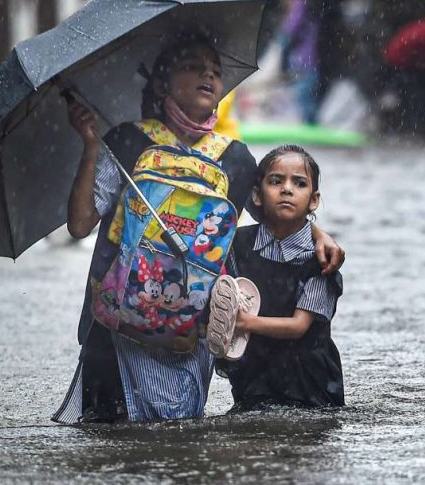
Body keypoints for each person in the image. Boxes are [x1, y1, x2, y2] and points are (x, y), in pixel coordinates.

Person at [53, 34, 344, 424]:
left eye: (215, 70)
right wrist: (91, 146)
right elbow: (80, 224)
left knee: (180, 437)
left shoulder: (235, 159)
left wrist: (319, 236)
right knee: (112, 443)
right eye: (192, 65)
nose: (208, 74)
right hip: (116, 332)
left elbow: (277, 217)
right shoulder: (126, 141)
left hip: (191, 336)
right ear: (162, 82)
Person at [216, 145, 344, 411]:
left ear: (314, 200)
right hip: (254, 376)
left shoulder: (319, 260)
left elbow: (299, 326)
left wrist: (244, 322)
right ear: (257, 195)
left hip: (309, 383)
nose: (287, 189)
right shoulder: (237, 244)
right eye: (276, 181)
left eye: (299, 183)